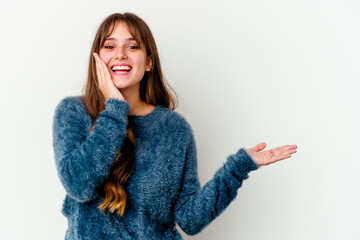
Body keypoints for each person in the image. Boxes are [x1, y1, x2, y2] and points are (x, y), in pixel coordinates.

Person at [52, 12, 298, 240]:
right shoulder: (74, 113)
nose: (120, 54)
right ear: (96, 59)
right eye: (110, 46)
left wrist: (237, 168)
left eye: (132, 46)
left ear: (148, 62)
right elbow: (79, 186)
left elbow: (190, 219)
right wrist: (115, 110)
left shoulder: (174, 129)